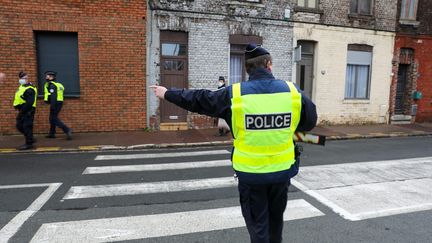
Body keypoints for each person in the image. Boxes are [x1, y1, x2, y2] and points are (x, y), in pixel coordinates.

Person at [151, 44, 317, 243]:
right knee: (275, 225)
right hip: (281, 174)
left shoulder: (235, 94)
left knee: (258, 229)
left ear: (247, 69)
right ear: (269, 65)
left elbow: (200, 99)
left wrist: (168, 93)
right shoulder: (292, 92)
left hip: (251, 176)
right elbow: (309, 122)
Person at [43, 71, 72, 140]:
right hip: (58, 102)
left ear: (51, 77)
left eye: (47, 76)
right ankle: (52, 133)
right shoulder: (56, 84)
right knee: (52, 118)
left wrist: (52, 106)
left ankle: (67, 129)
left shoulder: (52, 85)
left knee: (53, 118)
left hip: (55, 103)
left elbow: (53, 96)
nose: (46, 77)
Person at [13, 72, 37, 150]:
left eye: (24, 78)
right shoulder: (22, 87)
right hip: (22, 110)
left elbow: (30, 103)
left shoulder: (30, 89)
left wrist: (22, 111)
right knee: (19, 125)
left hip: (28, 110)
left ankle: (29, 144)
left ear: (27, 79)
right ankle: (30, 138)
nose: (22, 80)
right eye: (21, 78)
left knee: (27, 127)